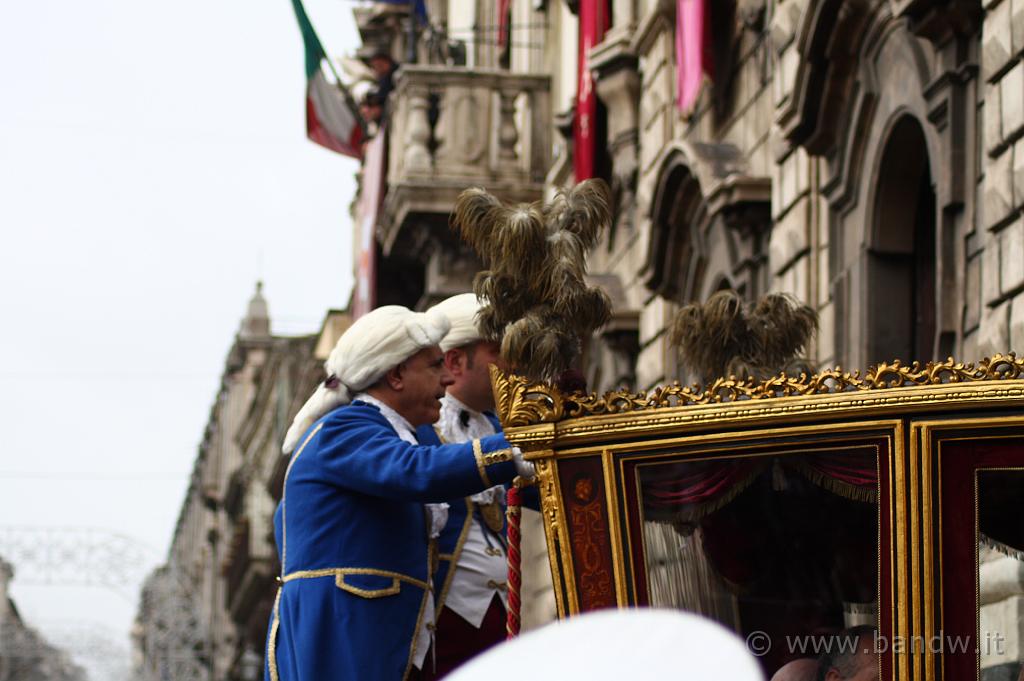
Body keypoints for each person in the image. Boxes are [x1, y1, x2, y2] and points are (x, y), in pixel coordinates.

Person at [264, 305, 533, 681]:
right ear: (395, 375)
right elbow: (416, 472)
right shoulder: (344, 428)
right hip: (344, 639)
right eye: (434, 366)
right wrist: (516, 446)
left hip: (386, 644)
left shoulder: (386, 431)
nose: (445, 379)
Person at [413, 293, 523, 678]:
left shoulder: (498, 428)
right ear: (455, 361)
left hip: (502, 613)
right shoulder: (413, 431)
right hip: (437, 619)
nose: (512, 365)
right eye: (498, 352)